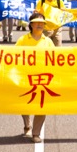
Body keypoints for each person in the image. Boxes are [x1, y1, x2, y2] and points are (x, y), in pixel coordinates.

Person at [17, 12, 54, 143]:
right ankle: (27, 124)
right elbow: (13, 57)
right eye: (37, 23)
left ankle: (36, 133)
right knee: (24, 104)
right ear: (31, 24)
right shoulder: (22, 40)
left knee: (42, 106)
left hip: (43, 79)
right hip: (26, 78)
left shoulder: (48, 41)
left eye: (42, 23)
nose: (40, 25)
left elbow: (55, 60)